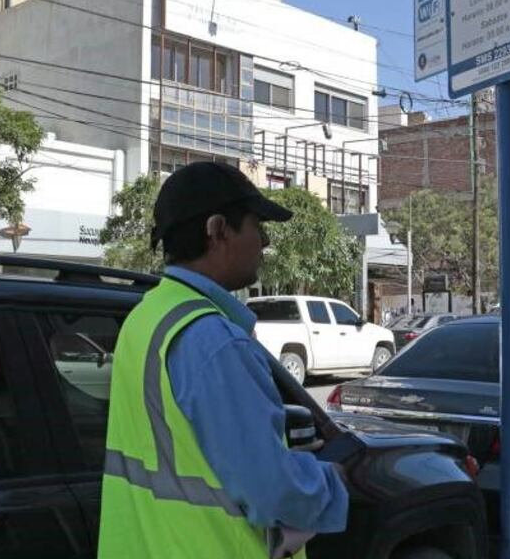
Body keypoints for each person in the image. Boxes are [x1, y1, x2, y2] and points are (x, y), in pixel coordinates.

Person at [98, 162, 348, 559]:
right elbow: (274, 492)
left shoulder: (147, 317)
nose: (265, 241)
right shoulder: (214, 340)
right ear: (218, 230)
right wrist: (334, 481)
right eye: (256, 225)